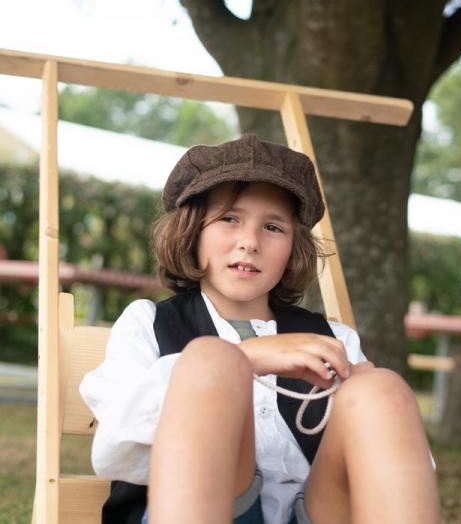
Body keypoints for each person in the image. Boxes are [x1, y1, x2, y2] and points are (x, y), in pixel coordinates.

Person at [80, 134, 439, 524]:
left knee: (380, 389)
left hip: (317, 510)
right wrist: (246, 358)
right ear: (193, 230)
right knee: (211, 361)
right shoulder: (147, 322)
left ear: (293, 249)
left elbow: (396, 470)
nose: (249, 242)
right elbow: (116, 446)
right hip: (203, 508)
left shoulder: (333, 339)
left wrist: (360, 403)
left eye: (273, 227)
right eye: (230, 219)